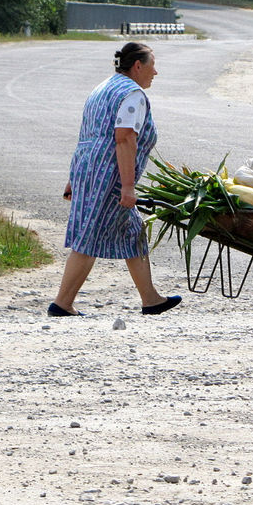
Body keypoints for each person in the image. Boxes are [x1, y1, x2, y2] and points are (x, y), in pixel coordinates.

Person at [48, 42, 181, 317]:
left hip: (88, 168)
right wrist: (128, 187)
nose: (155, 72)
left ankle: (150, 298)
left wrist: (74, 178)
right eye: (152, 65)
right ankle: (62, 303)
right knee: (89, 235)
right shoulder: (132, 94)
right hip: (109, 174)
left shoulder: (103, 88)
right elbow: (124, 138)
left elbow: (87, 134)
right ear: (137, 66)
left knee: (132, 232)